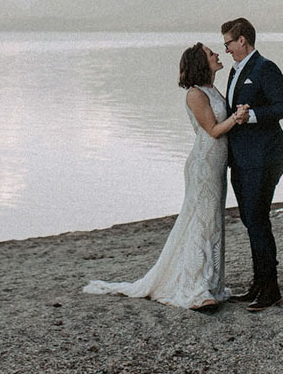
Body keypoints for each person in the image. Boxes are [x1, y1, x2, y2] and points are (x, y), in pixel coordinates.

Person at [84, 42, 248, 310]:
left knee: (213, 221)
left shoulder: (211, 89)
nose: (217, 54)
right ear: (200, 63)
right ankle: (197, 288)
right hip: (203, 166)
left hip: (217, 166)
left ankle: (211, 282)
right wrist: (237, 117)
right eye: (210, 54)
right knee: (201, 222)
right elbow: (214, 130)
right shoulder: (195, 94)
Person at [220, 17, 283, 311]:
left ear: (242, 40)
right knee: (251, 221)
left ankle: (271, 289)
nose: (225, 49)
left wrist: (251, 116)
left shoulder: (266, 68)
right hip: (241, 160)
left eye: (228, 43)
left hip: (265, 157)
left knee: (258, 220)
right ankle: (258, 283)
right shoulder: (237, 70)